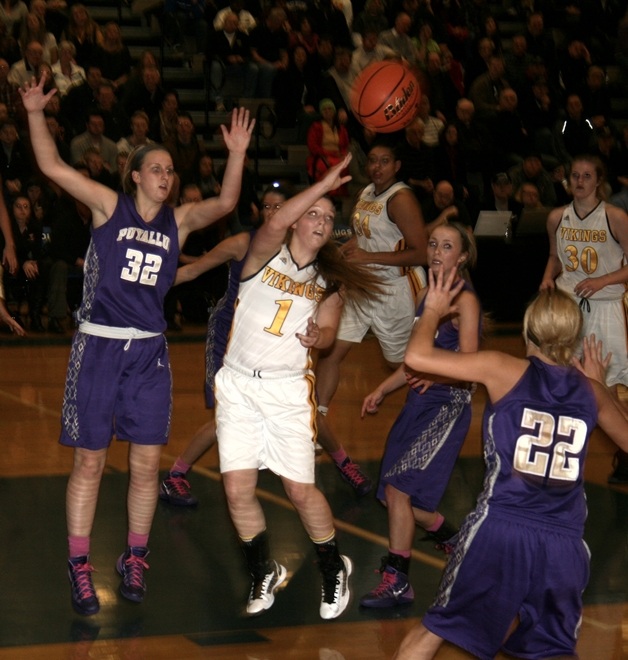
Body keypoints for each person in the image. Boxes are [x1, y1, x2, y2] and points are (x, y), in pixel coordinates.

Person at [19, 73, 254, 616]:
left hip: (149, 353)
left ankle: (135, 556)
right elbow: (53, 167)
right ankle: (80, 564)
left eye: (171, 170)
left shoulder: (179, 221)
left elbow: (225, 202)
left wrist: (236, 152)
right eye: (157, 168)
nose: (166, 176)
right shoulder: (108, 206)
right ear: (135, 175)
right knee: (90, 463)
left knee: (147, 466)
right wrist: (34, 113)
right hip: (99, 348)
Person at [393, 274, 628, 660]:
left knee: (436, 628)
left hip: (502, 528)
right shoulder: (591, 392)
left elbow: (417, 358)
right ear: (574, 336)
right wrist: (600, 386)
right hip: (564, 544)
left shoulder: (502, 368)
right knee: (552, 651)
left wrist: (431, 311)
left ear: (526, 328)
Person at [214, 154, 382, 620]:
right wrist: (324, 182)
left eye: (330, 218)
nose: (322, 221)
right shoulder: (263, 250)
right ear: (291, 220)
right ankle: (260, 569)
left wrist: (318, 337)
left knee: (299, 490)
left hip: (287, 391)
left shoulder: (329, 281)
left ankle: (333, 568)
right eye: (314, 213)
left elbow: (327, 333)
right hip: (238, 385)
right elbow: (280, 217)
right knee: (236, 490)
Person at [359, 221, 480, 608]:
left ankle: (398, 580)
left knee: (398, 490)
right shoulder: (427, 293)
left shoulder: (464, 299)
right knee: (396, 498)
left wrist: (436, 371)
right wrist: (382, 388)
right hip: (417, 401)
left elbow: (472, 363)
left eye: (447, 246)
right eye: (432, 244)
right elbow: (416, 358)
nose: (436, 251)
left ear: (461, 257)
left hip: (446, 405)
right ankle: (457, 540)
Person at [161, 184, 292, 506]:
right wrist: (143, 283)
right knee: (225, 417)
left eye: (279, 207)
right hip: (227, 336)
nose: (272, 212)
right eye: (267, 206)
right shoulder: (242, 243)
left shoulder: (299, 249)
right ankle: (175, 475)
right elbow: (192, 270)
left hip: (262, 342)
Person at [315, 140, 427, 496]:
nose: (377, 167)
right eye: (373, 161)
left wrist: (370, 258)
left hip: (396, 291)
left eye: (384, 161)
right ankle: (315, 422)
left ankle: (424, 425)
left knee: (405, 365)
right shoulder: (367, 192)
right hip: (364, 286)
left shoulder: (401, 199)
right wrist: (349, 252)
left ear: (396, 165)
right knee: (331, 351)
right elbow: (363, 239)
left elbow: (420, 251)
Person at [540, 154, 628, 484]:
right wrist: (548, 277)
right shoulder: (556, 218)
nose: (579, 181)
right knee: (564, 376)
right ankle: (558, 451)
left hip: (606, 306)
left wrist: (602, 281)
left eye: (586, 176)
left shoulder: (615, 217)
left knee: (611, 384)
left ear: (598, 181)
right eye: (575, 175)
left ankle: (624, 453)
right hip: (569, 307)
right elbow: (554, 257)